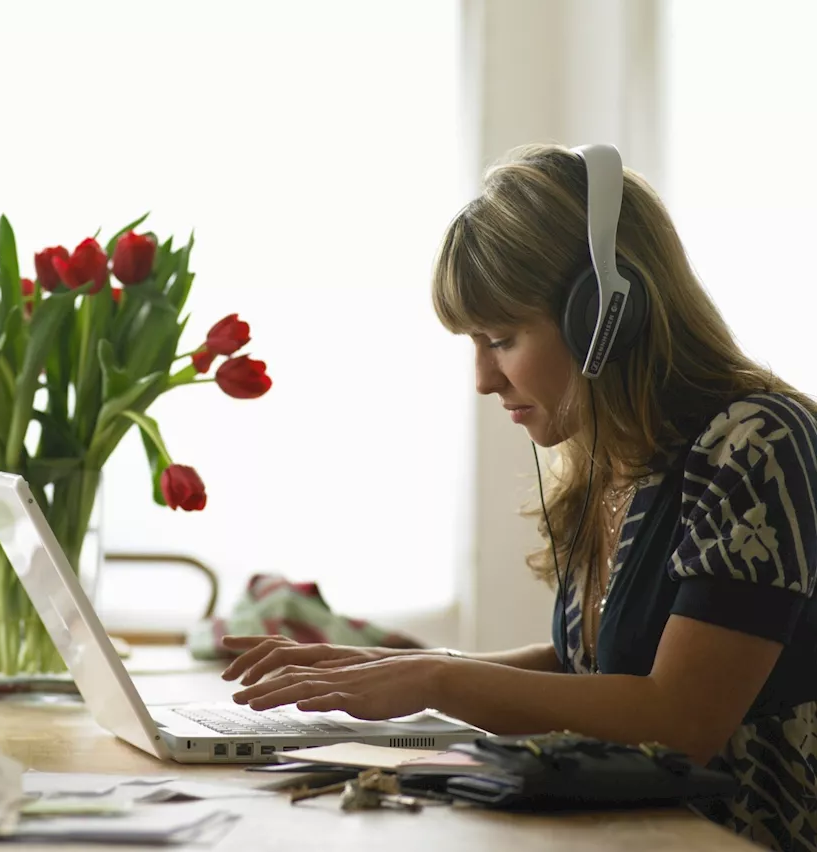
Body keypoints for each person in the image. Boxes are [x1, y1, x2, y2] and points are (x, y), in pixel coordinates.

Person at [221, 144, 817, 852]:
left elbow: (681, 715)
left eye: (500, 338)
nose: (482, 378)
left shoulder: (758, 445)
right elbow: (589, 671)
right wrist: (390, 672)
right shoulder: (611, 460)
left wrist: (435, 679)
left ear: (604, 315)